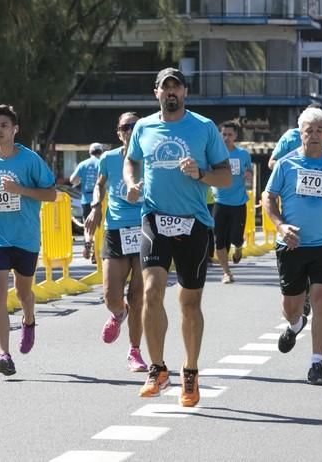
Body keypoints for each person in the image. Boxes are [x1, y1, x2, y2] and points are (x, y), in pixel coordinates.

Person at [124, 67, 231, 407]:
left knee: (189, 302)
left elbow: (226, 178)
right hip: (154, 218)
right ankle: (157, 369)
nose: (171, 93)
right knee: (151, 291)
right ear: (155, 92)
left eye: (176, 87)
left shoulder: (203, 128)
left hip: (194, 223)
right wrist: (131, 183)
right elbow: (131, 162)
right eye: (164, 87)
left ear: (185, 92)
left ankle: (191, 371)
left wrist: (200, 173)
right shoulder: (143, 127)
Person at [263, 107, 322, 385]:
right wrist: (280, 225)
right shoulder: (286, 164)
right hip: (292, 244)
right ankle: (294, 324)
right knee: (292, 305)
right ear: (299, 135)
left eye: (319, 130)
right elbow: (268, 197)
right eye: (308, 131)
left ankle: (317, 364)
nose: (313, 135)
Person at [0, 104, 56, 376]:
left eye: (3, 125)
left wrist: (18, 189)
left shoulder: (29, 160)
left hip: (25, 237)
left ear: (15, 129)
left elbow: (51, 194)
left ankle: (28, 321)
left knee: (23, 293)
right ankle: (3, 354)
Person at [85, 112, 147, 372]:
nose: (130, 130)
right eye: (125, 127)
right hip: (116, 230)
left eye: (135, 126)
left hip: (147, 229)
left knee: (137, 296)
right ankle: (117, 314)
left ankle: (134, 352)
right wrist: (96, 205)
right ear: (118, 132)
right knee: (112, 296)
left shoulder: (151, 158)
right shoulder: (108, 159)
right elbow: (100, 185)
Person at [213, 121, 253, 283]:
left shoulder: (243, 154)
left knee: (236, 237)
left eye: (230, 134)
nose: (226, 138)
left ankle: (238, 247)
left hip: (238, 202)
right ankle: (226, 272)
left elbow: (249, 169)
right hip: (220, 201)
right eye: (224, 134)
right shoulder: (214, 154)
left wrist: (249, 175)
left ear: (236, 136)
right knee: (219, 239)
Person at [267, 103, 322, 169]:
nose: (314, 135)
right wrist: (290, 170)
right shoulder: (290, 136)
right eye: (309, 130)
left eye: (319, 129)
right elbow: (272, 162)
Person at [70, 142, 103, 260]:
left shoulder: (83, 164)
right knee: (100, 226)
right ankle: (97, 253)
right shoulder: (102, 162)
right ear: (101, 152)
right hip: (100, 199)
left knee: (88, 225)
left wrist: (80, 181)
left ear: (90, 152)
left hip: (86, 199)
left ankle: (88, 242)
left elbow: (73, 180)